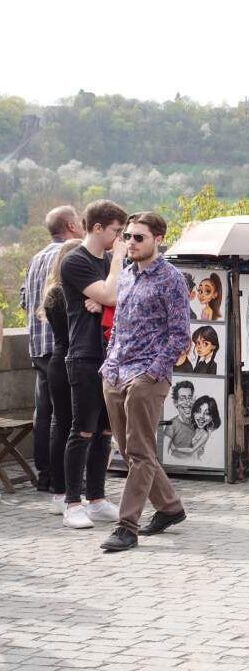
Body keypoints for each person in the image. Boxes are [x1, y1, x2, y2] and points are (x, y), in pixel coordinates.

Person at [98, 212, 191, 552]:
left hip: (146, 376)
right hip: (115, 372)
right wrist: (109, 363)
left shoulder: (171, 279)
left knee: (138, 452)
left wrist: (153, 371)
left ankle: (127, 527)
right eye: (127, 237)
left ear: (158, 239)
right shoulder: (124, 277)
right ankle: (170, 507)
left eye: (139, 237)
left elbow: (181, 334)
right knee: (131, 450)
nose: (131, 243)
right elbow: (118, 326)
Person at [58, 200, 128, 529]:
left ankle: (97, 498)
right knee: (82, 429)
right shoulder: (76, 261)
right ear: (97, 228)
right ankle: (72, 501)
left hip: (112, 355)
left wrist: (104, 298)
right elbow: (112, 295)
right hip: (85, 354)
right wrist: (113, 273)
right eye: (116, 231)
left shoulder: (106, 264)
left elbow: (119, 297)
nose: (120, 238)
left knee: (105, 430)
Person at [20, 206, 83, 493]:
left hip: (38, 344)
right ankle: (68, 477)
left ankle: (44, 474)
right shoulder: (73, 254)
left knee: (44, 412)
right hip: (65, 343)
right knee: (68, 416)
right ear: (71, 225)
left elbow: (25, 300)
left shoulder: (35, 258)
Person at [37, 239, 83, 515]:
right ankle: (63, 489)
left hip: (57, 360)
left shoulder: (53, 291)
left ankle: (60, 488)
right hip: (67, 360)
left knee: (60, 424)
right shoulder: (66, 293)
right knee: (66, 425)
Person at [163, 381, 197, 460]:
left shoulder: (198, 423)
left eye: (189, 398)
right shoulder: (172, 425)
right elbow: (164, 454)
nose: (187, 403)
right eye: (182, 398)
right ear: (175, 403)